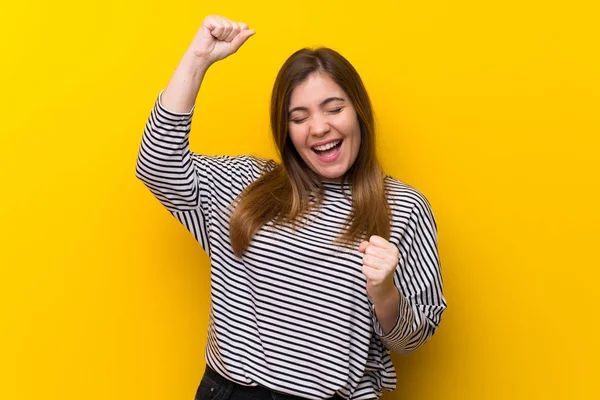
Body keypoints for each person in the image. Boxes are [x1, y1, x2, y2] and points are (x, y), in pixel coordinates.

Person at [136, 14, 446, 400]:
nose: (318, 128)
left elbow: (413, 339)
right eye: (299, 117)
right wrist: (198, 58)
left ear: (359, 112)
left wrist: (384, 293)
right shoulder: (245, 186)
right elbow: (157, 164)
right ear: (286, 131)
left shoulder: (403, 208)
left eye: (333, 108)